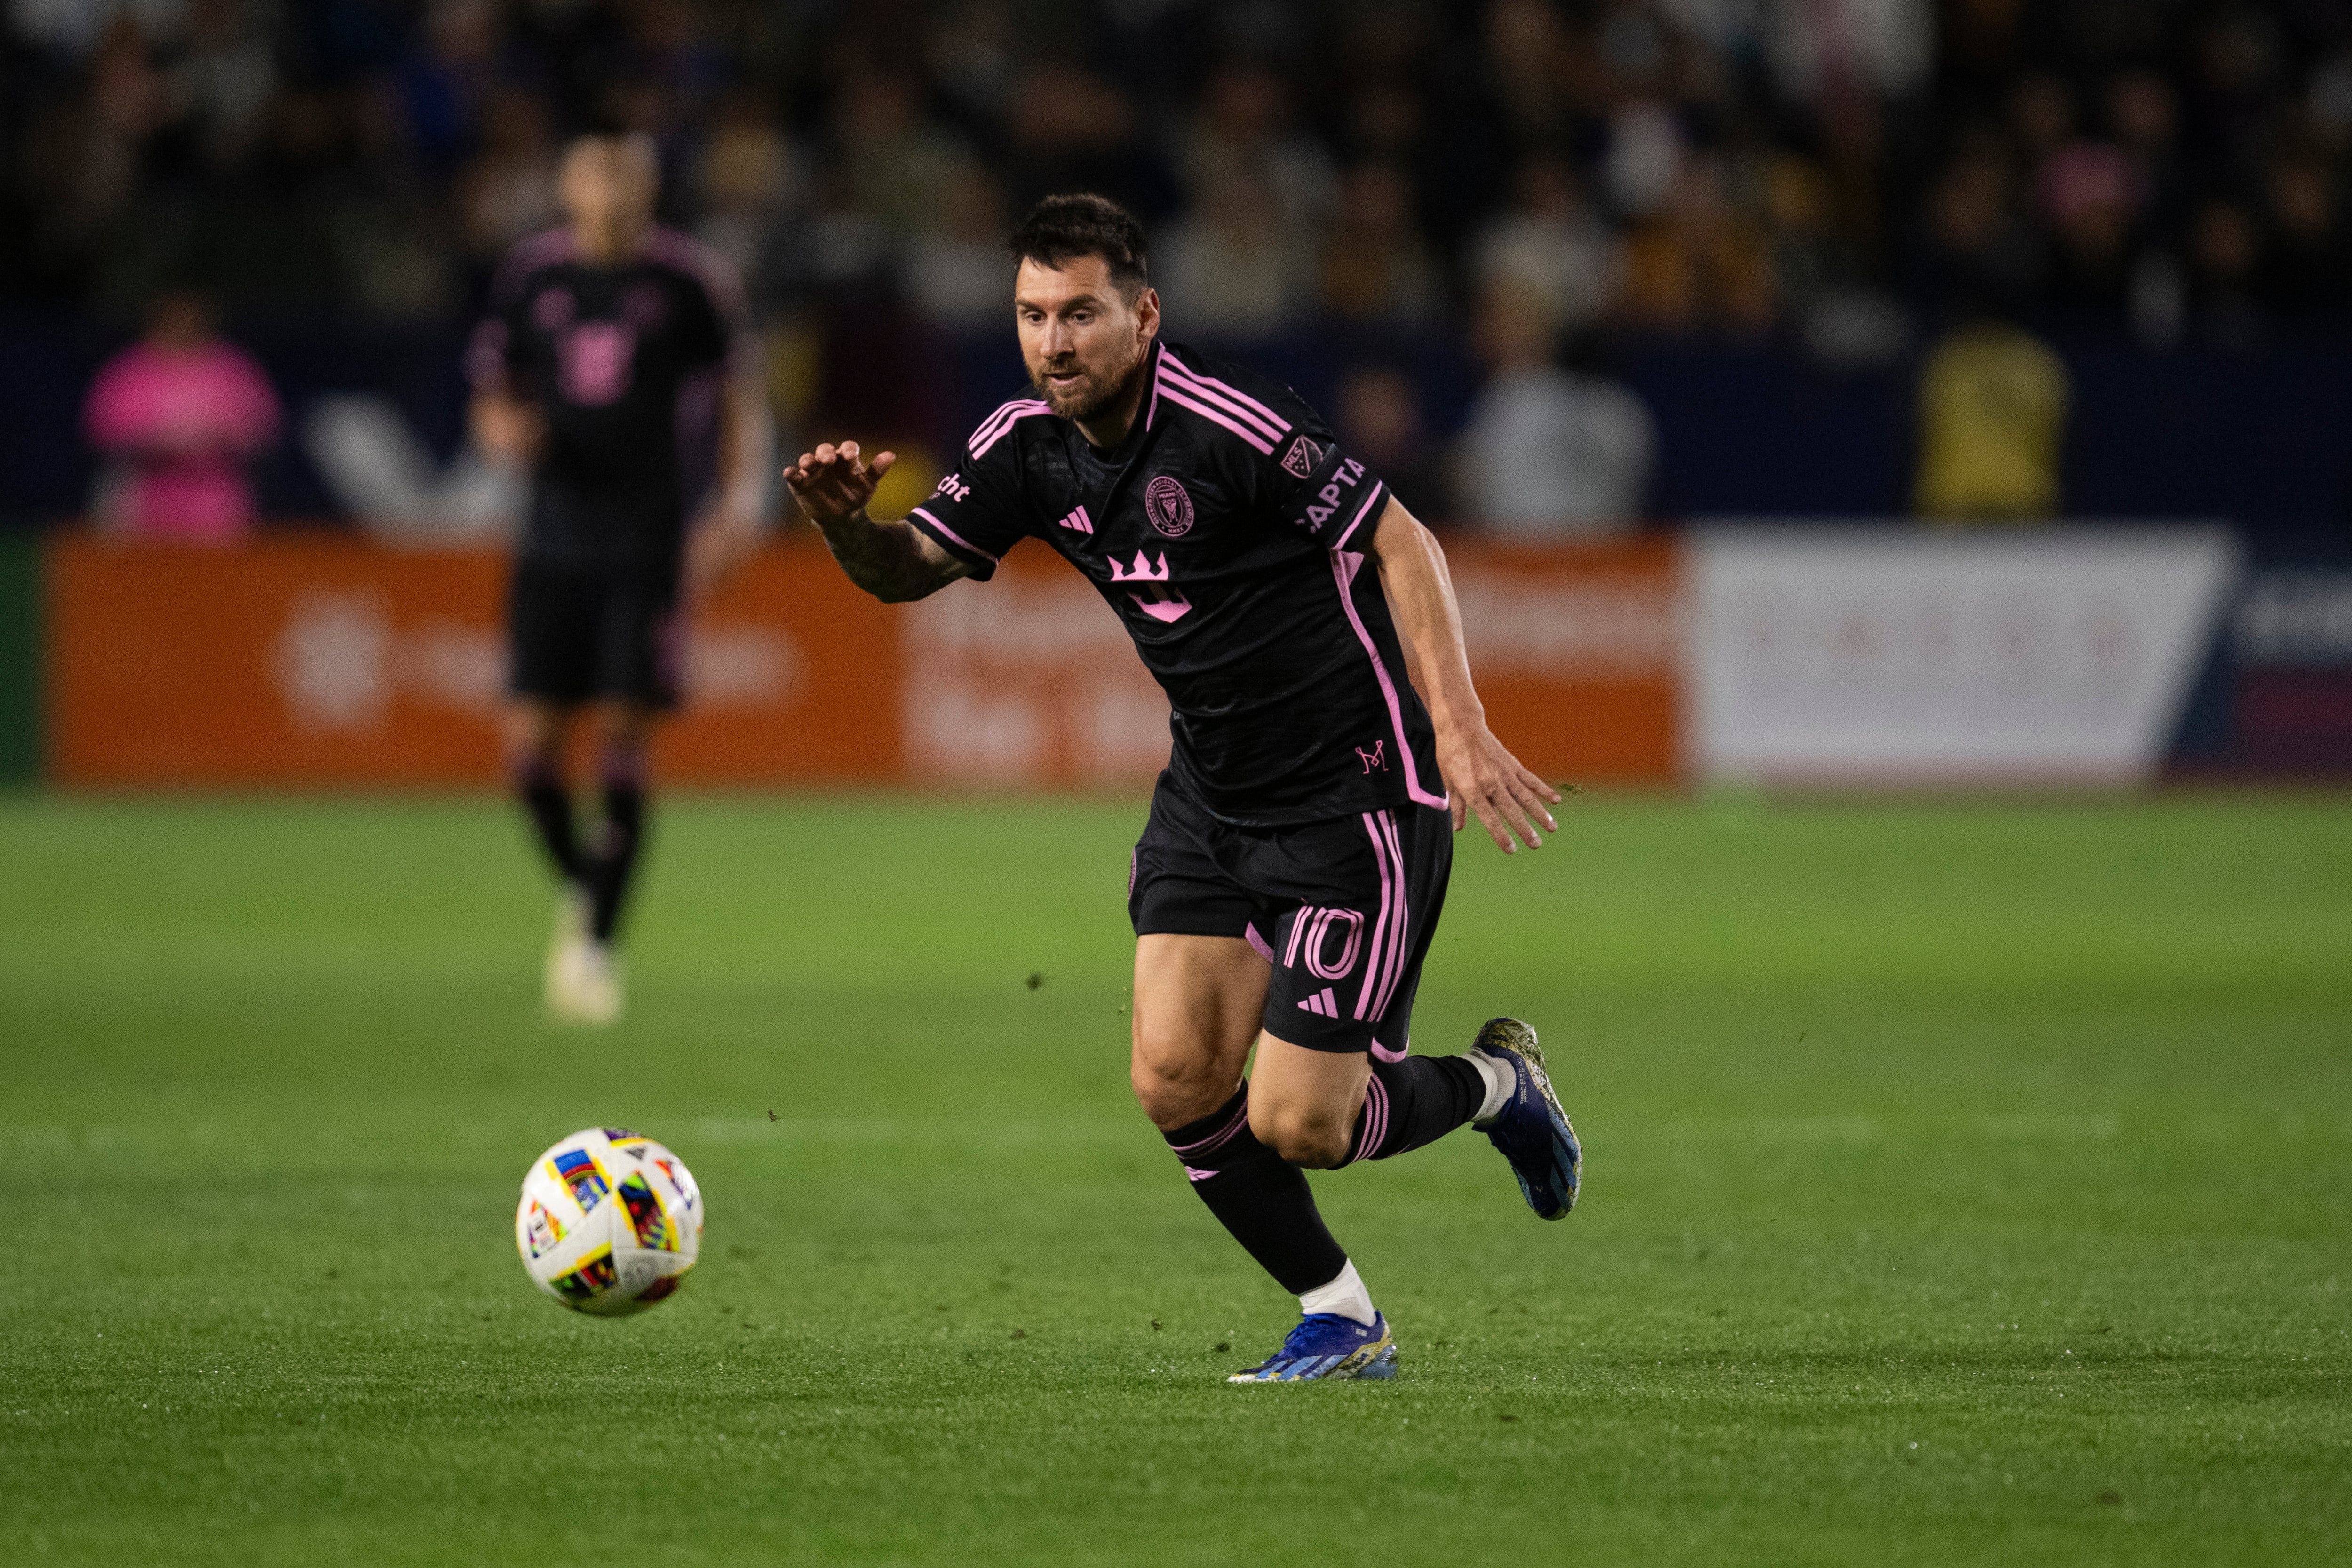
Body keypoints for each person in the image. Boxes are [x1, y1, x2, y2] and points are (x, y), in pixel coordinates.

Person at [785, 194, 1581, 1383]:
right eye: (1031, 316)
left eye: (1080, 315)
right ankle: (1342, 1315)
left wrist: (1459, 728)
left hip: (1356, 794)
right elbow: (905, 571)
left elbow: (1401, 540)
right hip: (1209, 797)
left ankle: (1498, 1087)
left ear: (1144, 315)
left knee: (1302, 1122)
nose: (1053, 343)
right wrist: (849, 527)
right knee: (1173, 1077)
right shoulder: (1023, 445)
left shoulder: (1229, 424)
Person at [468, 131, 771, 1025]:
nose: (610, 192)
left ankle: (595, 944)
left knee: (622, 736)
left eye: (626, 176)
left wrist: (734, 508)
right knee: (529, 750)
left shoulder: (688, 281)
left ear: (648, 186)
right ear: (567, 185)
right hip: (551, 538)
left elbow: (741, 398)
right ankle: (589, 886)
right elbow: (493, 389)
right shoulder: (532, 277)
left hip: (646, 542)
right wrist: (499, 430)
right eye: (594, 174)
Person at [83, 289, 281, 544]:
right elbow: (101, 432)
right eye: (174, 318)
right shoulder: (129, 369)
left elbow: (263, 429)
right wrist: (157, 437)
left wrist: (217, 435)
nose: (182, 325)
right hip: (142, 498)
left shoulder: (233, 369)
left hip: (217, 503)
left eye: (189, 318)